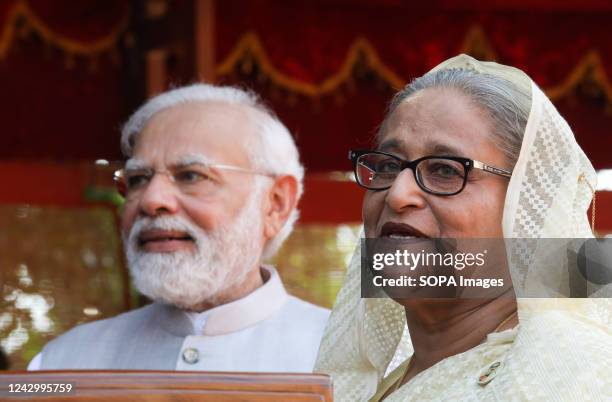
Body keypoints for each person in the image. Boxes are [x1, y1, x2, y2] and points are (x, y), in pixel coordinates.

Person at [314, 55, 612, 401]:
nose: (398, 194)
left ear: (529, 207)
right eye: (387, 165)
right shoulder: (386, 385)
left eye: (444, 170)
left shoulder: (571, 378)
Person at [29, 84, 329, 372]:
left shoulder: (352, 365)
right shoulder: (61, 365)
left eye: (191, 176)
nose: (151, 200)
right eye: (137, 179)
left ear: (275, 203)